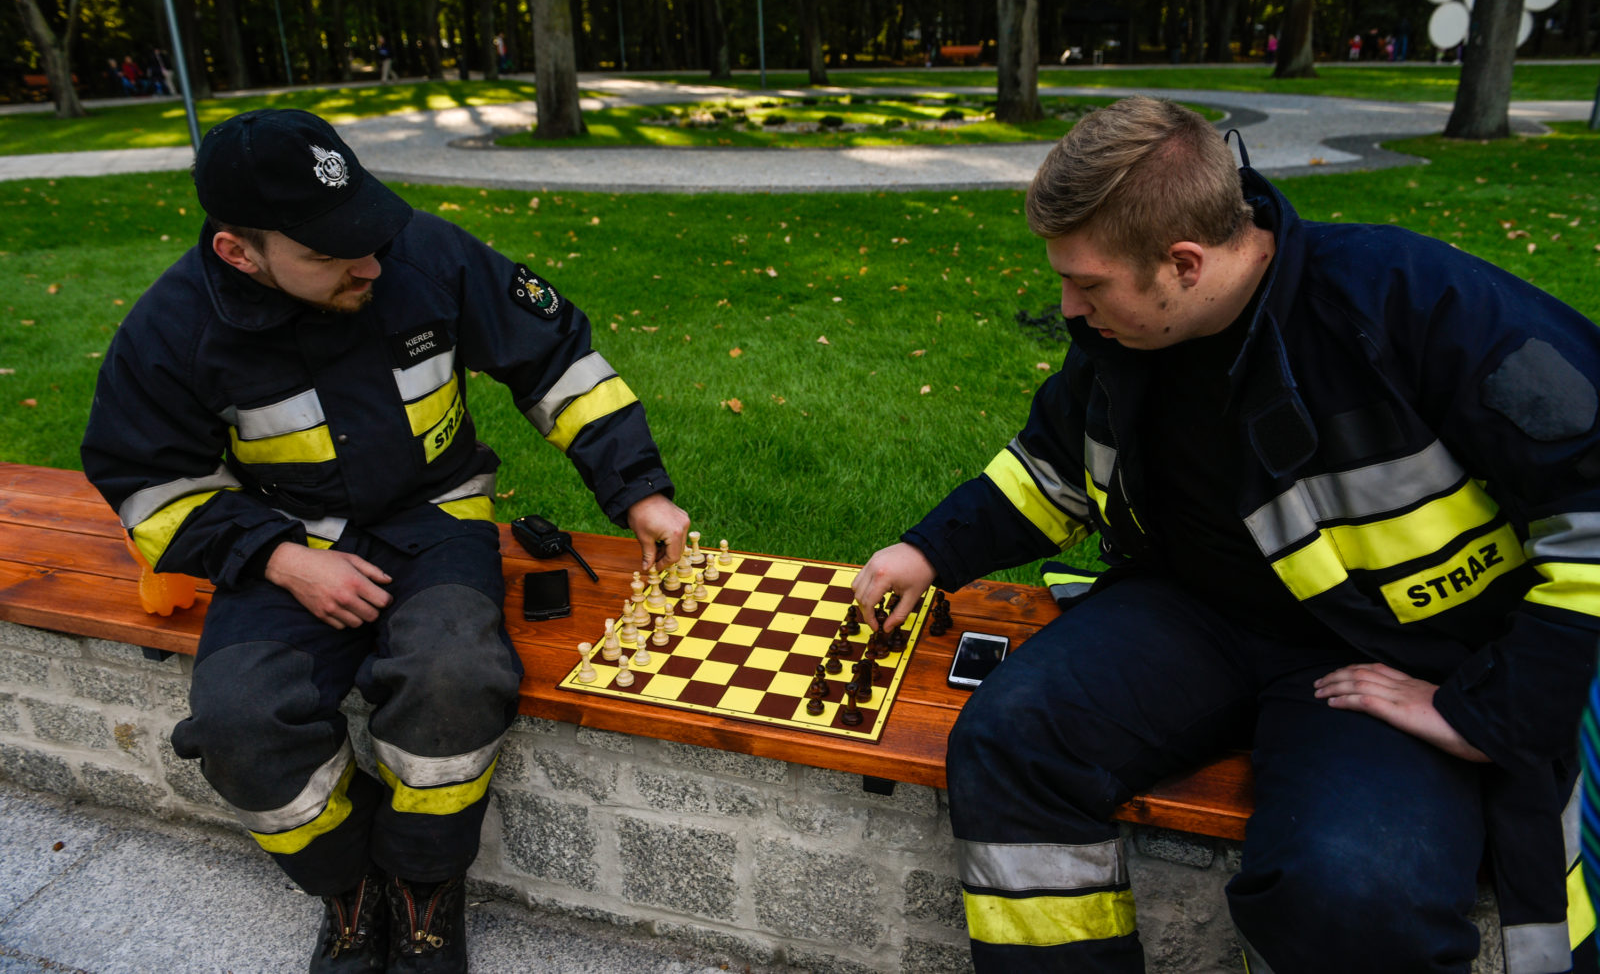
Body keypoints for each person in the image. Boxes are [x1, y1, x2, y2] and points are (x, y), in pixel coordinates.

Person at [852, 96, 1600, 973]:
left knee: (1351, 895)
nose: (1069, 308)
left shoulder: (1412, 301)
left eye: (1088, 283)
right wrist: (930, 550)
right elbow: (1052, 466)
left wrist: (1488, 712)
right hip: (1191, 615)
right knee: (1009, 743)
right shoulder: (1122, 337)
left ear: (1184, 262)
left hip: (1392, 657)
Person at [80, 108, 690, 972]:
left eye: (366, 231)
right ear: (238, 252)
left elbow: (557, 360)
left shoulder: (422, 254)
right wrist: (282, 560)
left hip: (437, 516)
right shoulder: (171, 330)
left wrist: (640, 490)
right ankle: (350, 889)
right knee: (239, 727)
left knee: (456, 679)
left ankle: (423, 887)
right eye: (330, 253)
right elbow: (149, 483)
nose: (369, 262)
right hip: (282, 540)